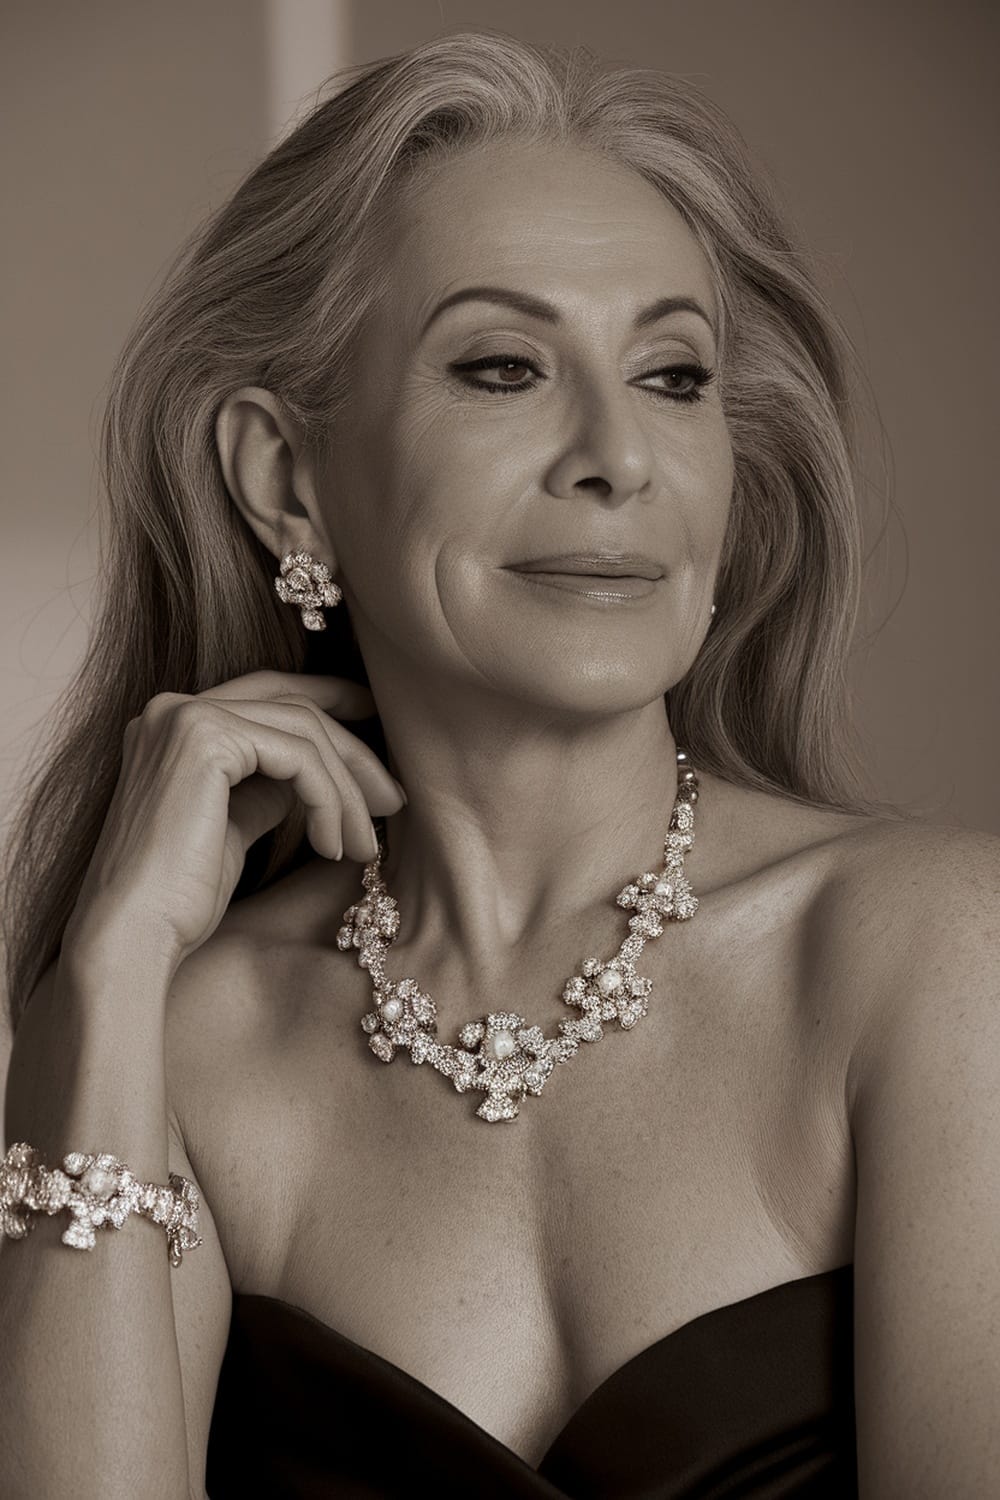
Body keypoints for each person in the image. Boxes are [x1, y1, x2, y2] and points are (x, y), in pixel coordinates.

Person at [1, 26, 997, 1500]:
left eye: (672, 375)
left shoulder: (934, 957)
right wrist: (112, 968)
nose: (618, 454)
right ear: (287, 482)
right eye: (503, 365)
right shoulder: (188, 1046)